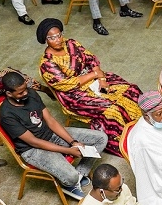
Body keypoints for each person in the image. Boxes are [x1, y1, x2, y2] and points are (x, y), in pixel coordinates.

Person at [37, 19, 142, 153]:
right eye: (51, 38)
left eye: (59, 35)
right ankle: (127, 143)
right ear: (45, 40)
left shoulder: (71, 43)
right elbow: (68, 84)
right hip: (74, 95)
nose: (57, 40)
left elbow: (91, 59)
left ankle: (143, 127)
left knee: (131, 90)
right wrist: (94, 75)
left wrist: (102, 78)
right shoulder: (47, 63)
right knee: (112, 109)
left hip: (95, 77)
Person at [0, 72, 107, 201]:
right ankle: (70, 183)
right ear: (9, 93)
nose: (25, 94)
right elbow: (34, 142)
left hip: (50, 134)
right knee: (70, 177)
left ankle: (80, 173)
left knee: (101, 138)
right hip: (33, 150)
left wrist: (73, 142)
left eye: (25, 89)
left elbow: (50, 120)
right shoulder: (7, 115)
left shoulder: (31, 93)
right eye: (20, 93)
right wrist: (68, 150)